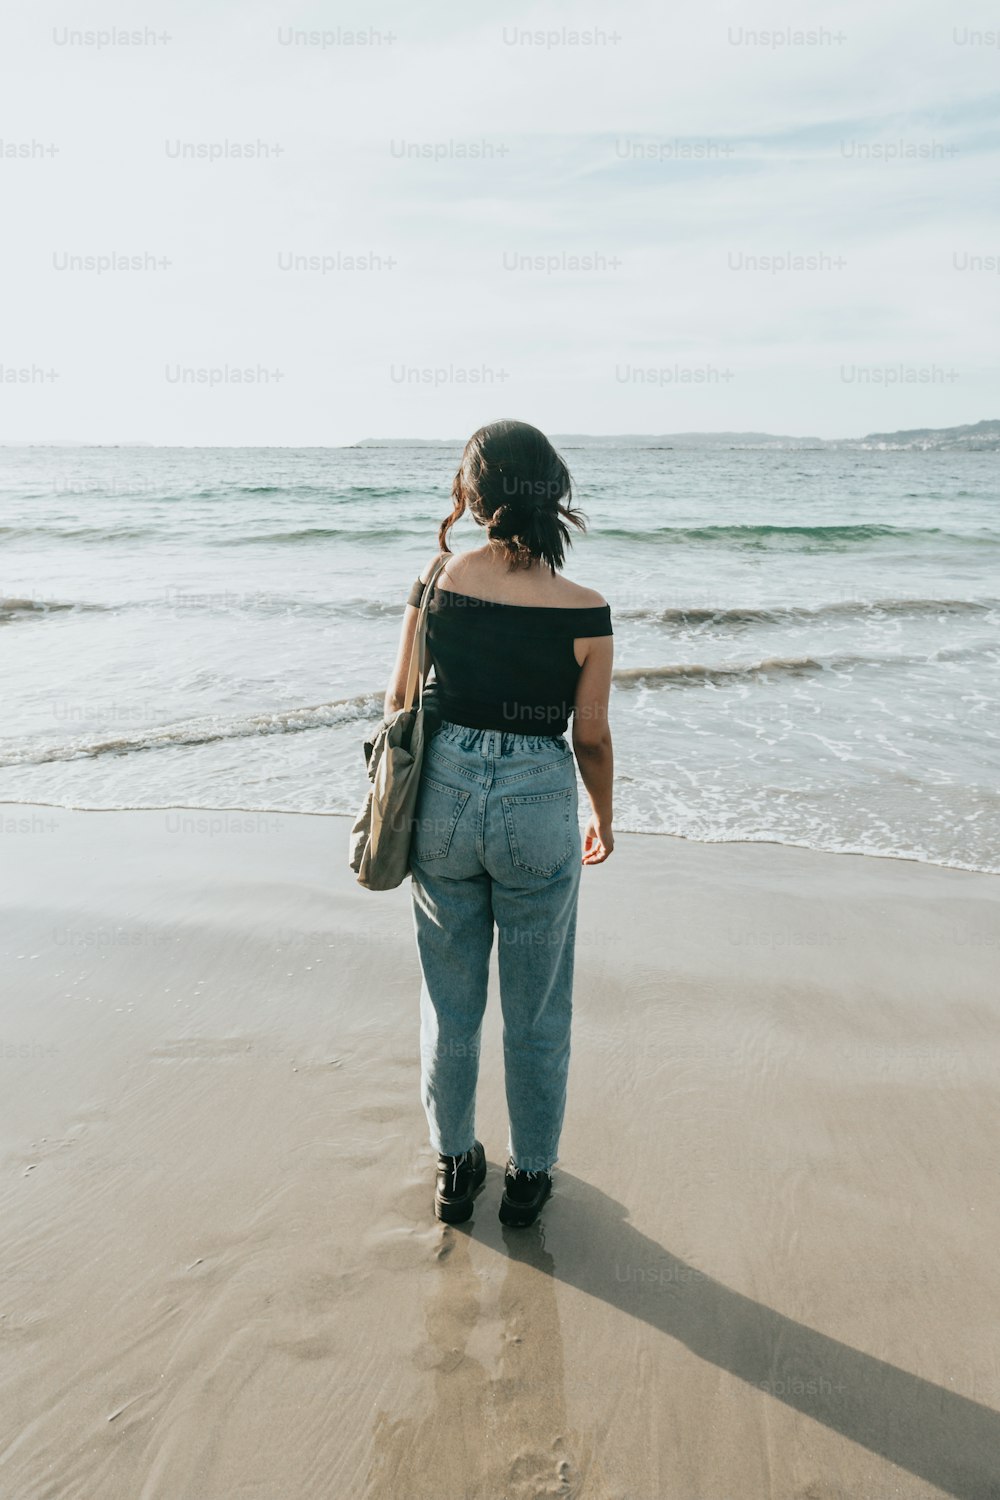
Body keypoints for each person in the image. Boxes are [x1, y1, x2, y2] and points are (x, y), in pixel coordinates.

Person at [383, 419, 614, 1227]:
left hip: (442, 800)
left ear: (474, 497)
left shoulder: (437, 578)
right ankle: (527, 1180)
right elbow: (588, 735)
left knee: (450, 1005)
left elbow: (399, 702)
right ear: (554, 492)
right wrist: (604, 818)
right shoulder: (585, 609)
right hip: (537, 807)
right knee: (537, 1009)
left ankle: (455, 1169)